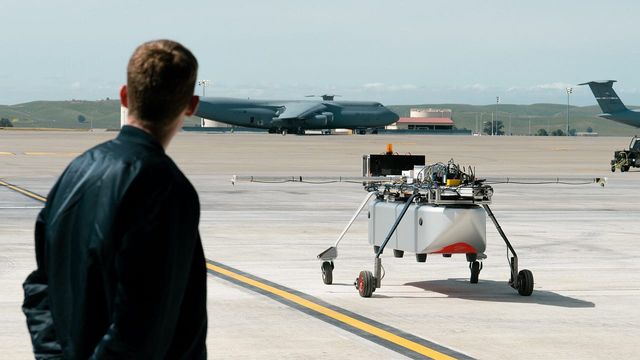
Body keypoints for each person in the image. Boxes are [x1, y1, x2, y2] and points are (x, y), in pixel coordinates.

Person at [22, 40, 207, 359]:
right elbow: (143, 326)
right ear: (191, 105)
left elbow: (40, 287)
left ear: (125, 96)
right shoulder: (166, 188)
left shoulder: (76, 172)